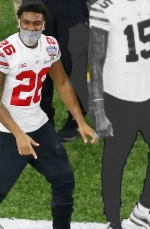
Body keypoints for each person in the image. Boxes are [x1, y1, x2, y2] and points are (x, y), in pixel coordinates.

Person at [0, 3, 101, 229]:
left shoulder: (50, 46)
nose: (31, 28)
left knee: (64, 179)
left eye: (36, 24)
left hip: (38, 125)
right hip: (8, 131)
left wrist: (80, 121)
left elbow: (62, 82)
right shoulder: (3, 52)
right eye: (26, 23)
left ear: (44, 23)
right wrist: (19, 134)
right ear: (18, 21)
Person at [89, 0, 150, 229]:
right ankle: (113, 222)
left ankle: (145, 209)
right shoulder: (104, 7)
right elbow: (95, 61)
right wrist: (98, 108)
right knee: (116, 158)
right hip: (118, 91)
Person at [37, 0, 90, 142]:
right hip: (36, 5)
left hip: (70, 7)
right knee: (37, 62)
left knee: (74, 62)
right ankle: (43, 116)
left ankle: (76, 118)